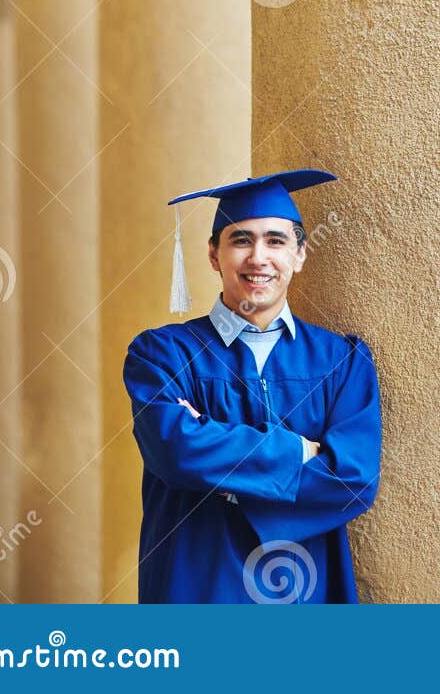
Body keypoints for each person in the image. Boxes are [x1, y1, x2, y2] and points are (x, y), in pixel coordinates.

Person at [123, 169, 381, 603]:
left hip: (304, 586)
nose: (258, 257)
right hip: (197, 582)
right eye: (241, 240)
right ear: (213, 255)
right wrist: (299, 452)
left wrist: (218, 466)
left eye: (276, 241)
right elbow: (174, 451)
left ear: (300, 254)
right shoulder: (163, 354)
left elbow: (352, 478)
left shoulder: (341, 361)